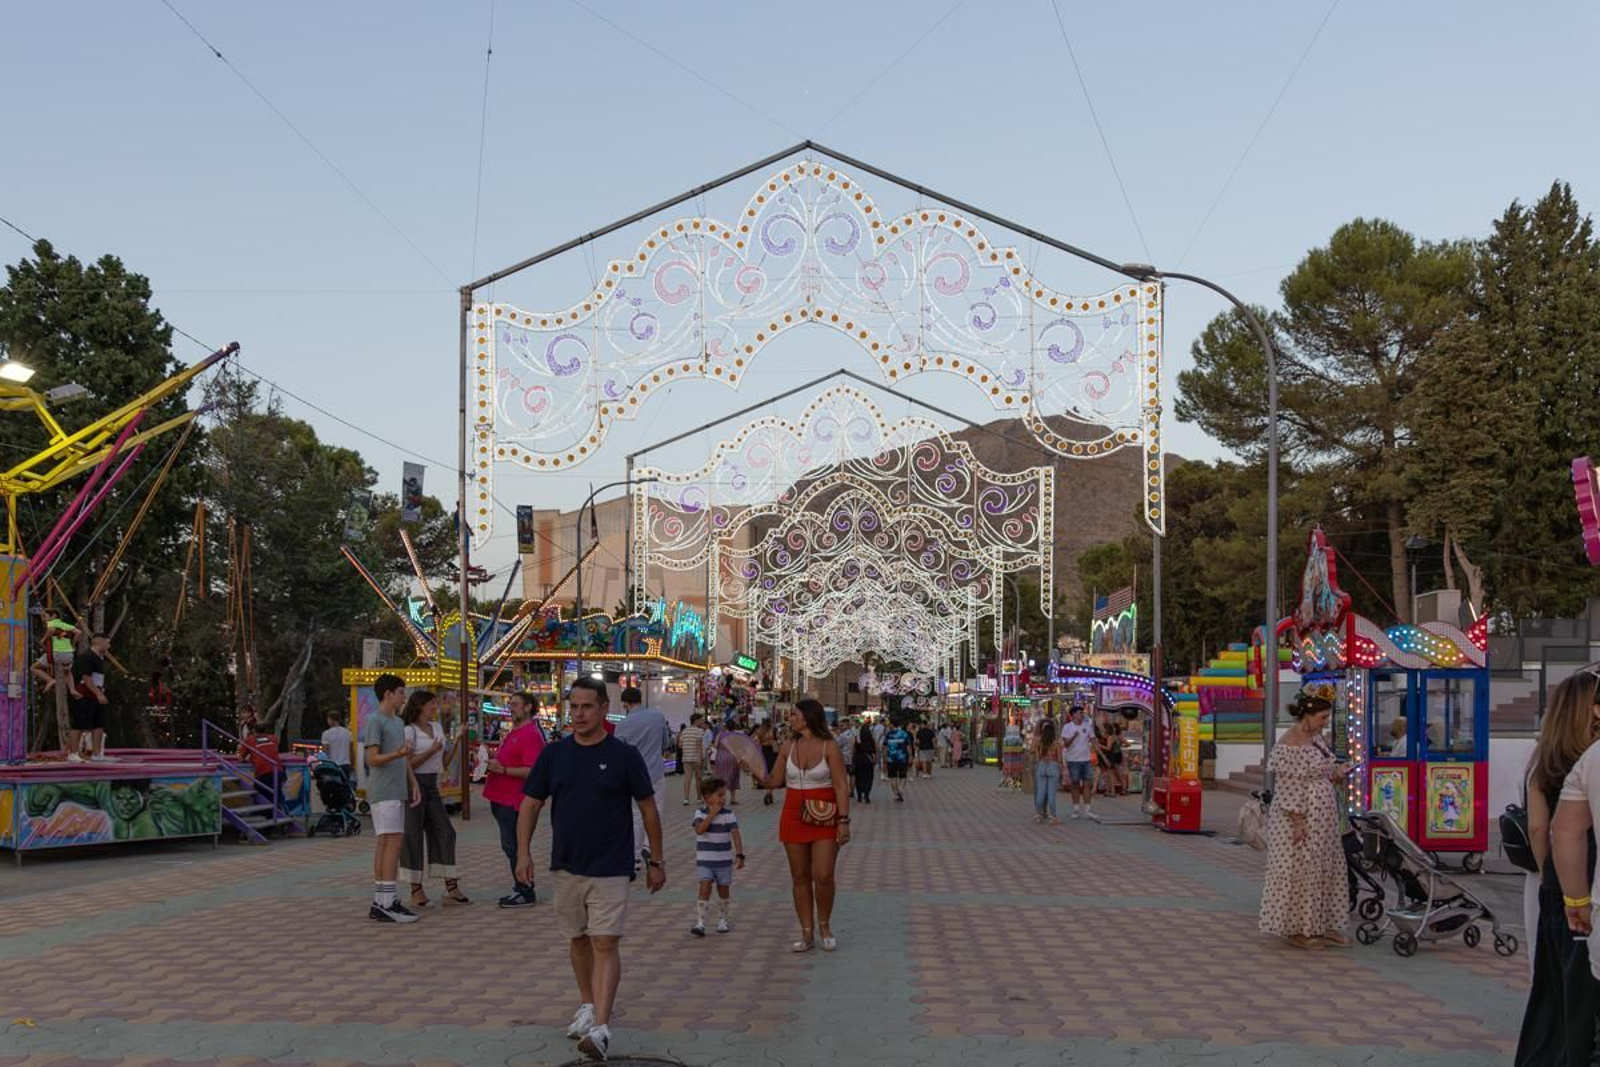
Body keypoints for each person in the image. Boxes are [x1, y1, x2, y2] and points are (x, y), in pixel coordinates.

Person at [515, 677, 665, 1062]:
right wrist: (522, 854)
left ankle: (601, 1026)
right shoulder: (554, 755)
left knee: (605, 941)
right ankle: (586, 1004)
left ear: (603, 709)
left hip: (612, 864)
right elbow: (530, 805)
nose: (578, 714)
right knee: (578, 939)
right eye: (574, 706)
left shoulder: (623, 755)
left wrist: (657, 861)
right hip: (567, 863)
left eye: (587, 707)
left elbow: (648, 808)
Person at [1516, 671, 1600, 1064]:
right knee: (1585, 992)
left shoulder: (1544, 760)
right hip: (1589, 884)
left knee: (1550, 986)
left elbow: (1539, 827)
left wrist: (1547, 871)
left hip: (1556, 886)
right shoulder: (1591, 758)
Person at [744, 698, 850, 951]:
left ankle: (824, 924)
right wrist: (755, 771)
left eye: (795, 714)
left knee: (823, 874)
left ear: (809, 717)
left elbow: (840, 785)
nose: (790, 718)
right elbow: (774, 781)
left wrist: (844, 820)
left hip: (825, 815)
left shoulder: (829, 747)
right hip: (793, 814)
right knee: (799, 875)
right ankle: (806, 931)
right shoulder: (788, 747)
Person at [1258, 690, 1350, 949]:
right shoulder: (1290, 744)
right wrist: (1298, 822)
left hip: (1323, 818)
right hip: (1301, 818)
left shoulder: (1316, 738)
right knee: (1300, 870)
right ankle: (1299, 928)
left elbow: (1323, 769)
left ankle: (1323, 923)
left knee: (1325, 867)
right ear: (1307, 716)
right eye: (1322, 717)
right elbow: (1289, 788)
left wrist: (1337, 773)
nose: (1325, 722)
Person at [361, 673, 422, 924]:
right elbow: (371, 758)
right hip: (384, 790)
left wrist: (413, 782)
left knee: (387, 842)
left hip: (396, 789)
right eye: (400, 692)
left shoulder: (397, 722)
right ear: (388, 694)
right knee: (391, 842)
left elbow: (404, 758)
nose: (403, 697)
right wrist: (397, 754)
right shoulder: (376, 720)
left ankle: (381, 899)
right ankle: (387, 901)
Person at [398, 690, 467, 908]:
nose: (435, 707)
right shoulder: (409, 731)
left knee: (445, 831)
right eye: (431, 704)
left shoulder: (437, 728)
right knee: (413, 834)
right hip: (414, 784)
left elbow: (444, 762)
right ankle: (416, 889)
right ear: (420, 706)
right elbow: (407, 764)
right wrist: (432, 750)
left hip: (432, 784)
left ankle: (451, 886)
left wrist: (456, 741)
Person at [486, 690, 546, 908]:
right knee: (512, 845)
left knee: (515, 846)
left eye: (515, 704)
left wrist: (502, 769)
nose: (511, 707)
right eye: (510, 703)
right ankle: (521, 885)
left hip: (514, 800)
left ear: (528, 707)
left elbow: (533, 770)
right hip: (501, 797)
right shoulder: (517, 731)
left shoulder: (530, 734)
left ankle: (525, 889)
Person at [614, 685, 673, 872]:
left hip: (632, 775)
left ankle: (634, 856)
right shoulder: (657, 717)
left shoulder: (622, 725)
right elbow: (667, 743)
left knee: (636, 814)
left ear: (625, 704)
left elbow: (618, 752)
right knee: (657, 810)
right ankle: (649, 847)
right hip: (655, 771)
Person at [690, 775, 744, 936]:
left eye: (724, 794)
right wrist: (712, 814)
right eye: (719, 795)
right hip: (705, 860)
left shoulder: (729, 814)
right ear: (707, 797)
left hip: (724, 861)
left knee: (723, 890)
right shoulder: (699, 813)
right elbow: (700, 830)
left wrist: (740, 854)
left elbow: (735, 834)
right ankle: (700, 922)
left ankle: (723, 919)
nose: (723, 798)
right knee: (704, 887)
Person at [67, 632, 110, 763]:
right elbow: (86, 678)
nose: (109, 645)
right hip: (84, 695)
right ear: (98, 642)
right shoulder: (87, 657)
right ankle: (73, 753)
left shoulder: (99, 658)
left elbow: (97, 679)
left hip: (96, 695)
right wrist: (98, 693)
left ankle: (97, 754)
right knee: (79, 724)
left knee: (99, 724)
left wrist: (100, 692)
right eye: (107, 643)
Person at [1061, 706, 1096, 817]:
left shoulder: (1087, 727)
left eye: (1082, 713)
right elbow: (1066, 744)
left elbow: (1094, 742)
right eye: (1080, 713)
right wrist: (1074, 736)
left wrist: (1103, 756)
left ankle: (1087, 809)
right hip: (1073, 760)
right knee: (1075, 784)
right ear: (1074, 715)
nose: (1082, 715)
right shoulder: (1067, 727)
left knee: (1087, 784)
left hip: (1086, 760)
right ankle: (1076, 809)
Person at [1033, 719, 1063, 824]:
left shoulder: (1039, 742)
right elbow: (1059, 758)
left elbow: (1035, 753)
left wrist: (1039, 759)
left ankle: (1038, 814)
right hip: (1053, 766)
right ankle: (1053, 816)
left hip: (1041, 765)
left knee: (1040, 793)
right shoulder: (1056, 743)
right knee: (1051, 794)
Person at [679, 713, 707, 805]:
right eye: (701, 720)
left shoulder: (684, 731)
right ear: (696, 720)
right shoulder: (699, 731)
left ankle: (686, 799)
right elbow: (699, 745)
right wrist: (702, 758)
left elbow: (680, 745)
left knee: (687, 778)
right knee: (698, 779)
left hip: (686, 758)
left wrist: (687, 748)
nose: (702, 722)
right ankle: (699, 798)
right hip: (696, 758)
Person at [883, 718, 913, 802]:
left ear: (892, 724)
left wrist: (884, 757)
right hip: (902, 758)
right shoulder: (904, 734)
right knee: (903, 776)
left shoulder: (888, 734)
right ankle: (900, 789)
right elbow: (908, 746)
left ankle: (896, 794)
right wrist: (910, 756)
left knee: (892, 777)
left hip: (891, 759)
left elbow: (885, 747)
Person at [321, 710, 354, 779]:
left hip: (332, 765)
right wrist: (352, 765)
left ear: (331, 719)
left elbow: (325, 752)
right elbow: (351, 751)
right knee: (344, 786)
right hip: (346, 765)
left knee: (333, 787)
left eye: (328, 719)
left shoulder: (326, 734)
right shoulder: (348, 733)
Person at [853, 721, 877, 803]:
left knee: (859, 778)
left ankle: (859, 795)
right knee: (868, 778)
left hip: (859, 761)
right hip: (868, 761)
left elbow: (855, 751)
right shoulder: (871, 741)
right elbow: (874, 751)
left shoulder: (858, 741)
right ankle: (866, 795)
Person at [755, 722, 778, 805]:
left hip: (764, 752)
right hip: (770, 752)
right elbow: (774, 740)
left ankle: (769, 792)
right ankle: (769, 792)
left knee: (767, 772)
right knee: (770, 771)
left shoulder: (761, 732)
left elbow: (758, 742)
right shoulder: (771, 731)